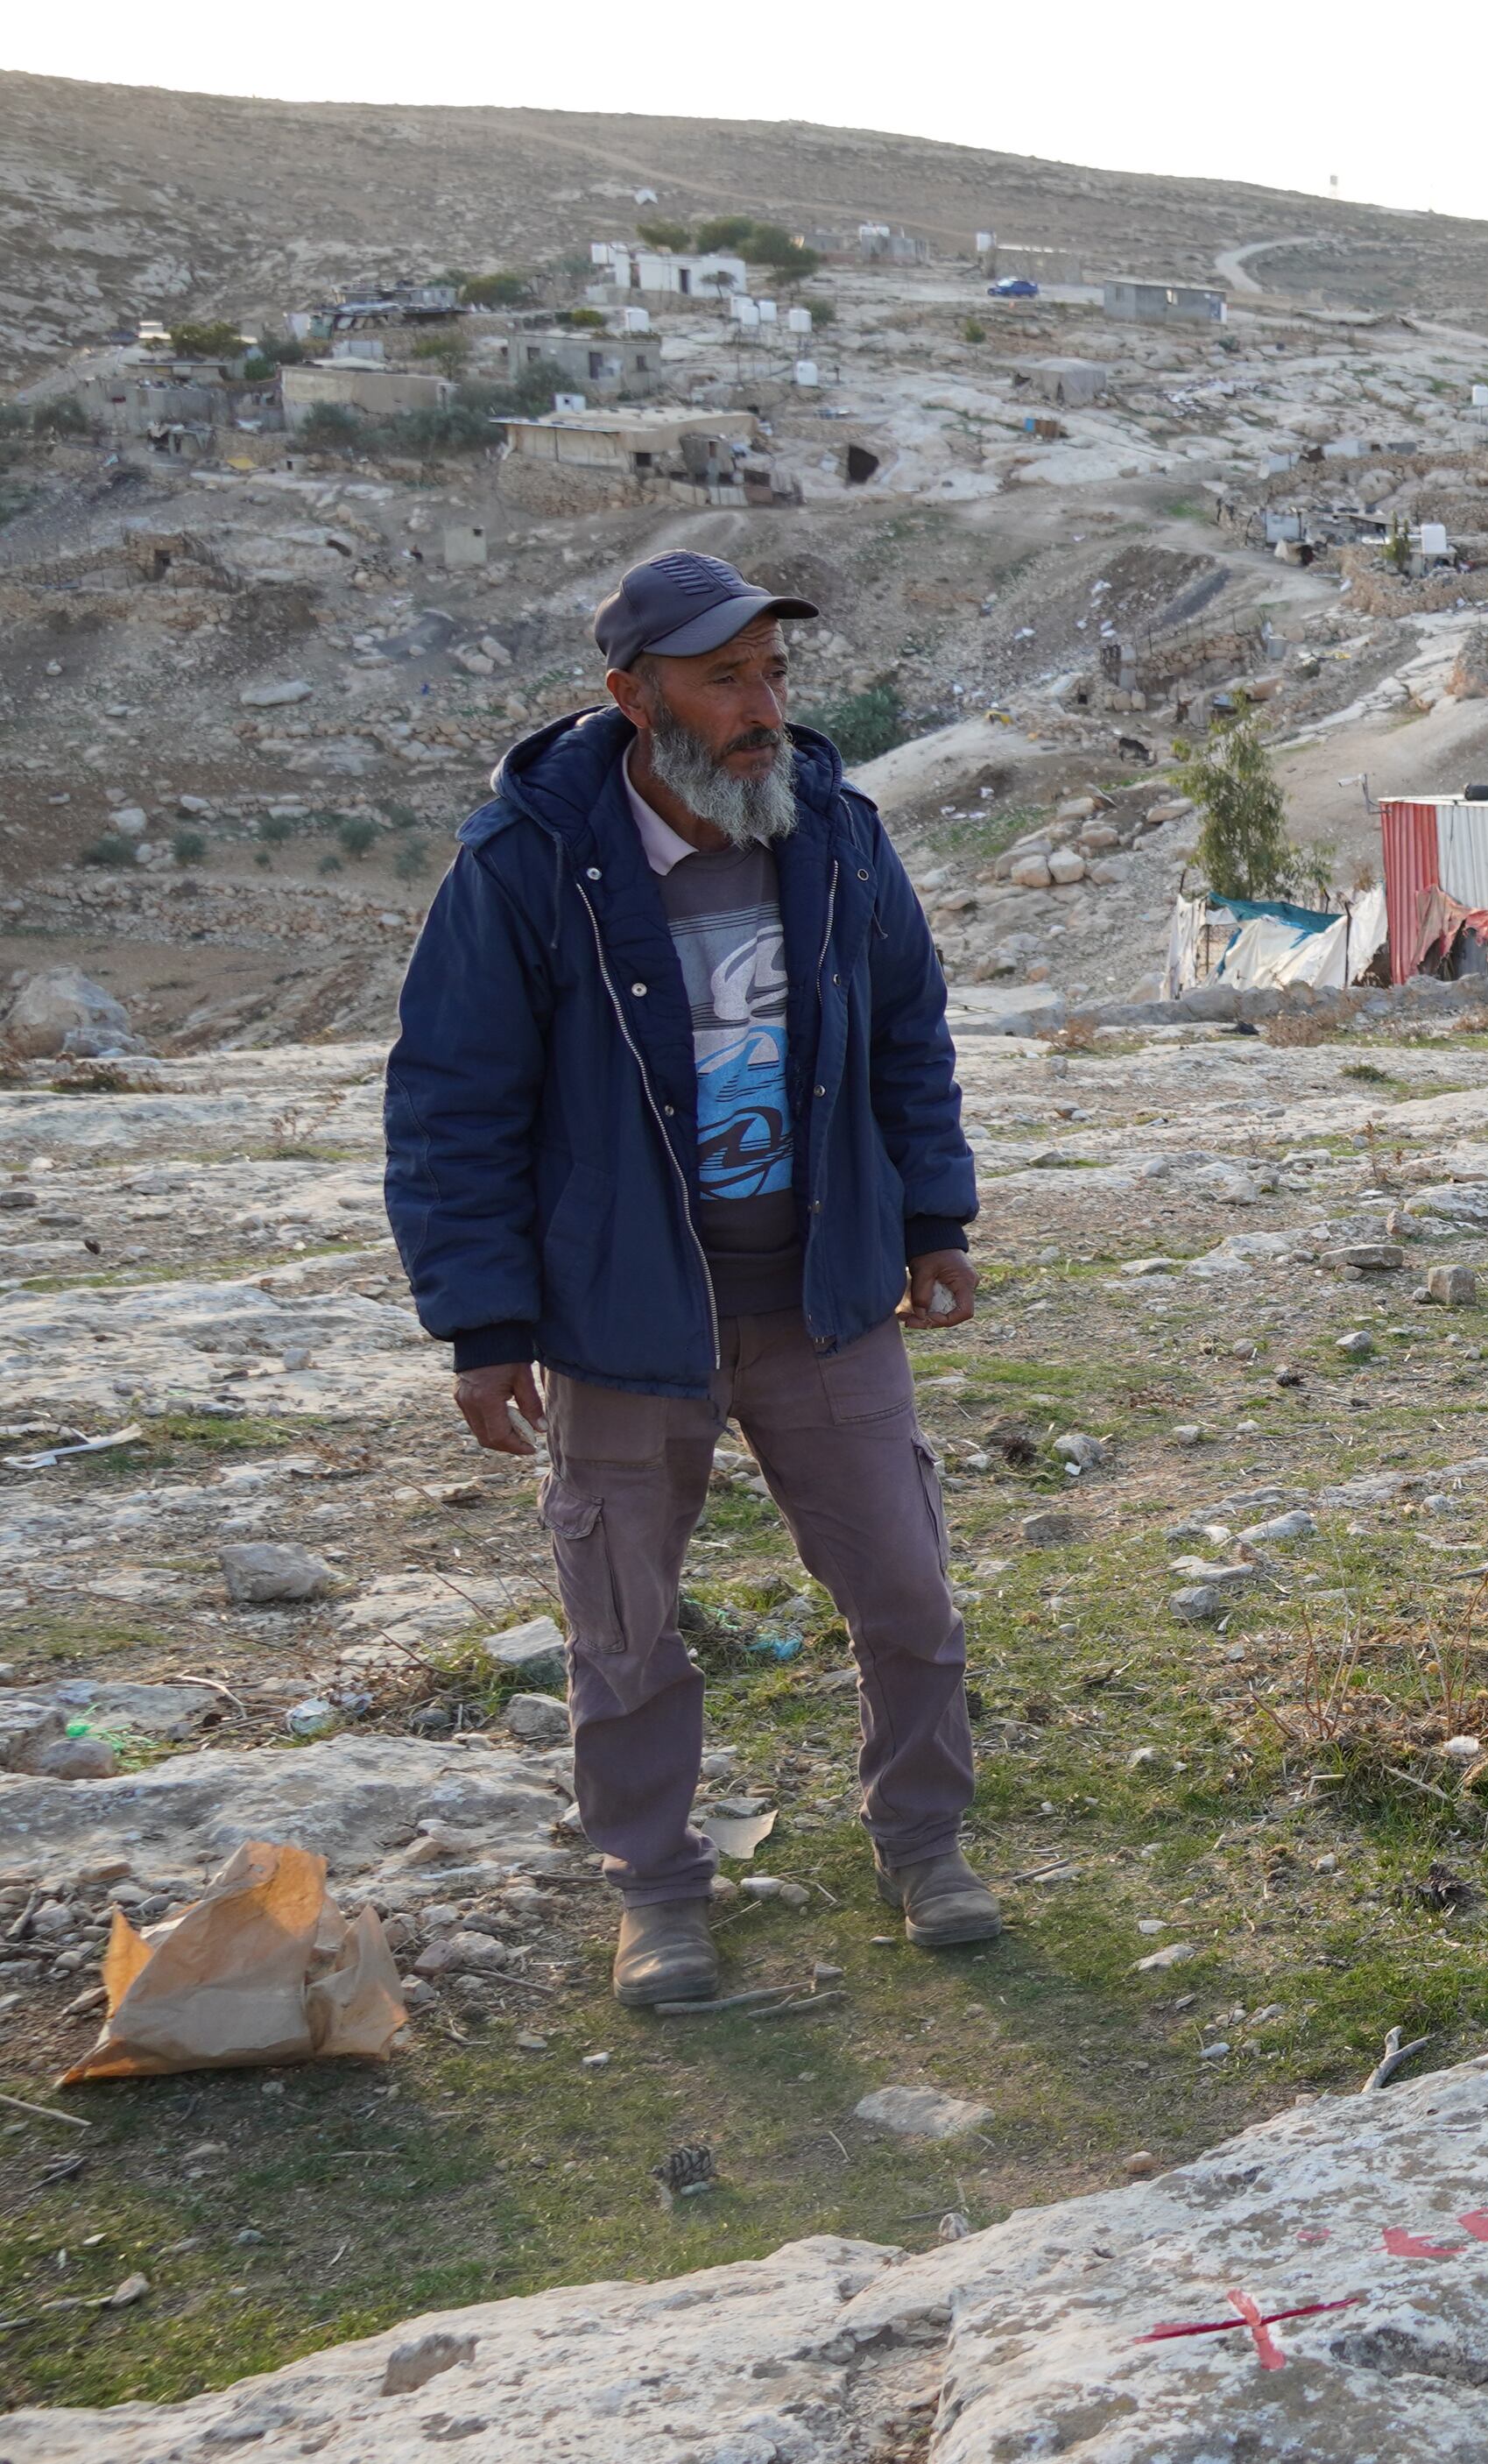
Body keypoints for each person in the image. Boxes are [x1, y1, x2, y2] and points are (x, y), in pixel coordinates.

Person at [384, 550, 992, 2008]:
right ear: (633, 697)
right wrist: (483, 1322)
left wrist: (935, 1218)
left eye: (773, 673)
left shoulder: (836, 832)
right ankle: (656, 1889)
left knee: (907, 1586)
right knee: (624, 1625)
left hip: (822, 1296)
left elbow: (908, 1029)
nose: (763, 707)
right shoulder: (525, 861)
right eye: (725, 680)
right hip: (625, 1314)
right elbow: (454, 1098)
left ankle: (925, 1844)